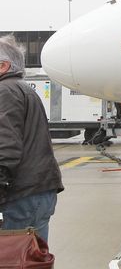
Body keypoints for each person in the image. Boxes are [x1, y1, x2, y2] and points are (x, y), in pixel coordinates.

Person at [0, 35, 64, 242]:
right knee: (32, 257)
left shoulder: (5, 92)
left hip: (20, 195)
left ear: (3, 66)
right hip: (37, 191)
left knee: (14, 258)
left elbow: (5, 146)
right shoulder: (22, 89)